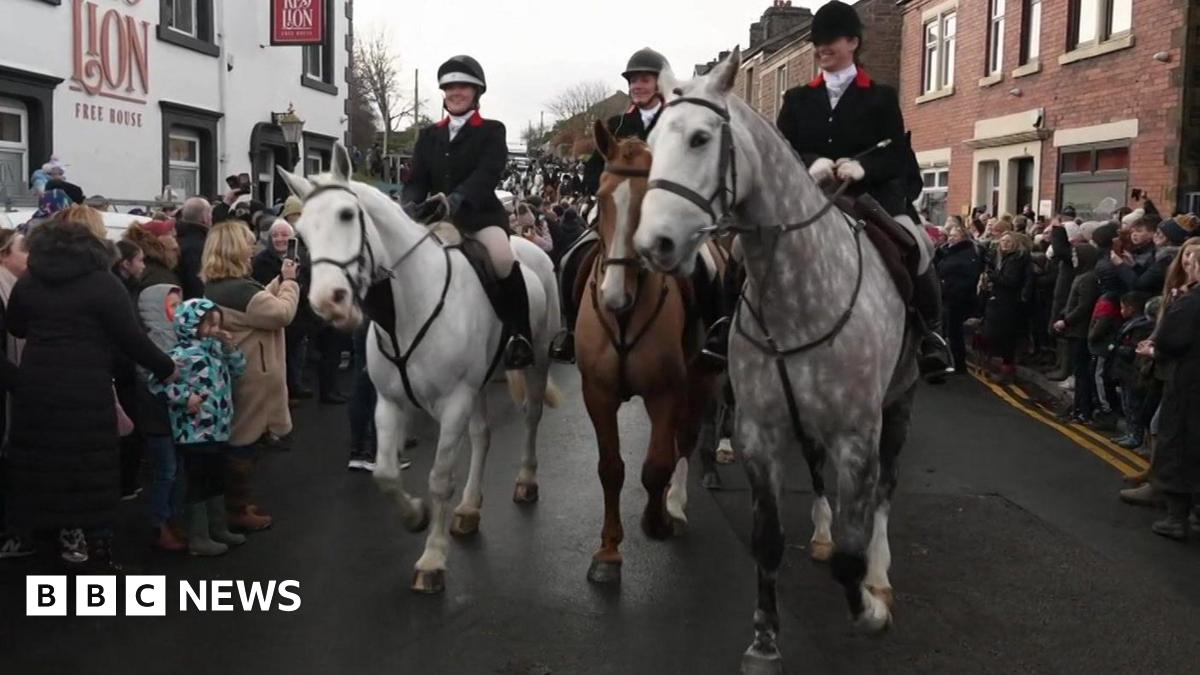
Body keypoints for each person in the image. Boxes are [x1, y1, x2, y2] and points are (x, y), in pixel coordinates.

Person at [770, 0, 953, 381]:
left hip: (871, 199)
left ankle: (931, 333)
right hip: (810, 198)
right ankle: (726, 328)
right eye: (817, 41)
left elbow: (898, 155)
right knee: (745, 245)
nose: (822, 48)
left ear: (853, 41)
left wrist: (864, 167)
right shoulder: (798, 99)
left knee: (918, 246)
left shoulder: (881, 97)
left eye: (830, 39)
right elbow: (781, 149)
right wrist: (811, 162)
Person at [6, 217, 176, 569]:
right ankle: (97, 547)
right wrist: (167, 367)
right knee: (91, 464)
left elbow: (16, 326)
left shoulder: (28, 283)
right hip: (88, 387)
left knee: (45, 463)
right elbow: (132, 340)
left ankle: (51, 542)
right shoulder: (104, 284)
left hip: (36, 387)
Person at [402, 54, 534, 370]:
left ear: (476, 92)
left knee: (503, 259)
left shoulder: (492, 130)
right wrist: (409, 204)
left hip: (479, 218)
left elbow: (487, 173)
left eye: (463, 86)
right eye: (449, 88)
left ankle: (520, 336)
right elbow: (417, 179)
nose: (455, 92)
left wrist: (456, 199)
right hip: (434, 221)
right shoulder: (429, 135)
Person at [552, 47, 672, 364]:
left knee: (707, 264)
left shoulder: (674, 122)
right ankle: (571, 331)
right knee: (569, 259)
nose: (637, 86)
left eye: (644, 80)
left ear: (659, 84)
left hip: (665, 214)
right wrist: (600, 189)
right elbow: (593, 169)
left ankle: (713, 333)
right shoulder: (617, 124)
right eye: (633, 81)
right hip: (616, 210)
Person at [202, 221, 299, 531]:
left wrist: (277, 281)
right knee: (243, 442)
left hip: (238, 371)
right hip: (253, 376)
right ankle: (236, 509)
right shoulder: (240, 290)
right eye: (247, 243)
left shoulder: (221, 286)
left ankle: (235, 505)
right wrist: (290, 283)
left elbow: (257, 305)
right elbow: (280, 313)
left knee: (239, 439)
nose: (252, 249)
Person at [148, 298, 248, 555]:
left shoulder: (216, 350)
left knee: (216, 477)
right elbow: (157, 381)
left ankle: (218, 527)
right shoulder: (180, 355)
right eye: (208, 324)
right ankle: (198, 536)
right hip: (193, 430)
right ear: (191, 324)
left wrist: (230, 348)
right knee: (198, 482)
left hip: (218, 426)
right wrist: (185, 397)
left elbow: (239, 369)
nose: (215, 329)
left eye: (217, 323)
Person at [1142, 238, 1200, 539]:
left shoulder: (1190, 301)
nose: (1188, 268)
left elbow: (1170, 340)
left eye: (1193, 264)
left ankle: (1176, 517)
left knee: (1177, 442)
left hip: (1188, 382)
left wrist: (1155, 349)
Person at [136, 283, 188, 551]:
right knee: (166, 471)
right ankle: (160, 523)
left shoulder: (179, 335)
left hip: (175, 417)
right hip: (157, 417)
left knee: (176, 469)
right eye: (172, 306)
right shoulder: (149, 342)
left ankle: (172, 517)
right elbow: (150, 377)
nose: (177, 311)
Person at [0, 231, 29, 558]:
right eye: (24, 250)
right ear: (4, 254)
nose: (30, 257)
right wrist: (22, 382)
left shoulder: (16, 288)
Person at [1054, 243, 1101, 423]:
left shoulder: (1087, 278)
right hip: (1075, 330)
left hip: (1080, 331)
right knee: (1078, 371)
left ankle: (1083, 410)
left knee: (1082, 373)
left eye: (1075, 255)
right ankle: (1078, 408)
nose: (1073, 258)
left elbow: (1084, 305)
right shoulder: (1082, 275)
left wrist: (1066, 320)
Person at [982, 232, 1032, 383]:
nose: (1004, 244)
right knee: (996, 335)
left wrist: (992, 276)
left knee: (1006, 338)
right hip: (999, 300)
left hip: (1010, 303)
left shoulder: (1017, 259)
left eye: (1009, 241)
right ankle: (1000, 366)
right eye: (1003, 241)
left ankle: (1007, 371)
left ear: (1016, 243)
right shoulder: (1002, 258)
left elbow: (1010, 281)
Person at [934, 223, 982, 375]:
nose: (951, 238)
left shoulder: (967, 254)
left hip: (958, 299)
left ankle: (959, 365)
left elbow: (963, 276)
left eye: (955, 236)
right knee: (947, 331)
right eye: (951, 235)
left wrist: (949, 289)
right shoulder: (949, 251)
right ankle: (949, 361)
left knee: (955, 333)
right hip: (948, 297)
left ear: (963, 238)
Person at [124, 220, 182, 288]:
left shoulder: (143, 266)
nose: (174, 234)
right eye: (168, 232)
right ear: (155, 241)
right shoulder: (160, 276)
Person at [176, 198, 214, 300]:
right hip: (193, 307)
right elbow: (196, 283)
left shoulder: (176, 238)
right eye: (210, 213)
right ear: (205, 217)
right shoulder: (200, 246)